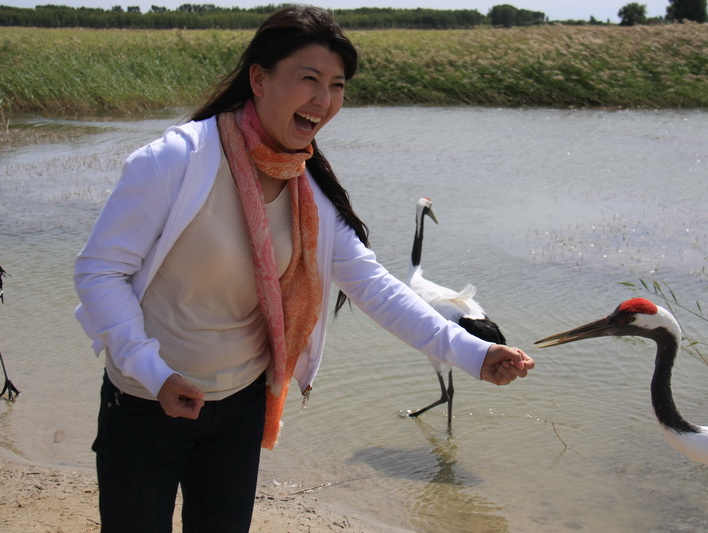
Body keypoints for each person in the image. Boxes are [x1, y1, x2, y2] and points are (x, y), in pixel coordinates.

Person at [74, 5, 535, 532]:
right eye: (309, 79)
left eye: (337, 85)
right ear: (259, 79)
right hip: (144, 400)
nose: (324, 100)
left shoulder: (306, 193)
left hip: (241, 403)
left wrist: (475, 353)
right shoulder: (175, 160)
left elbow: (376, 289)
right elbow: (98, 273)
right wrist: (154, 373)